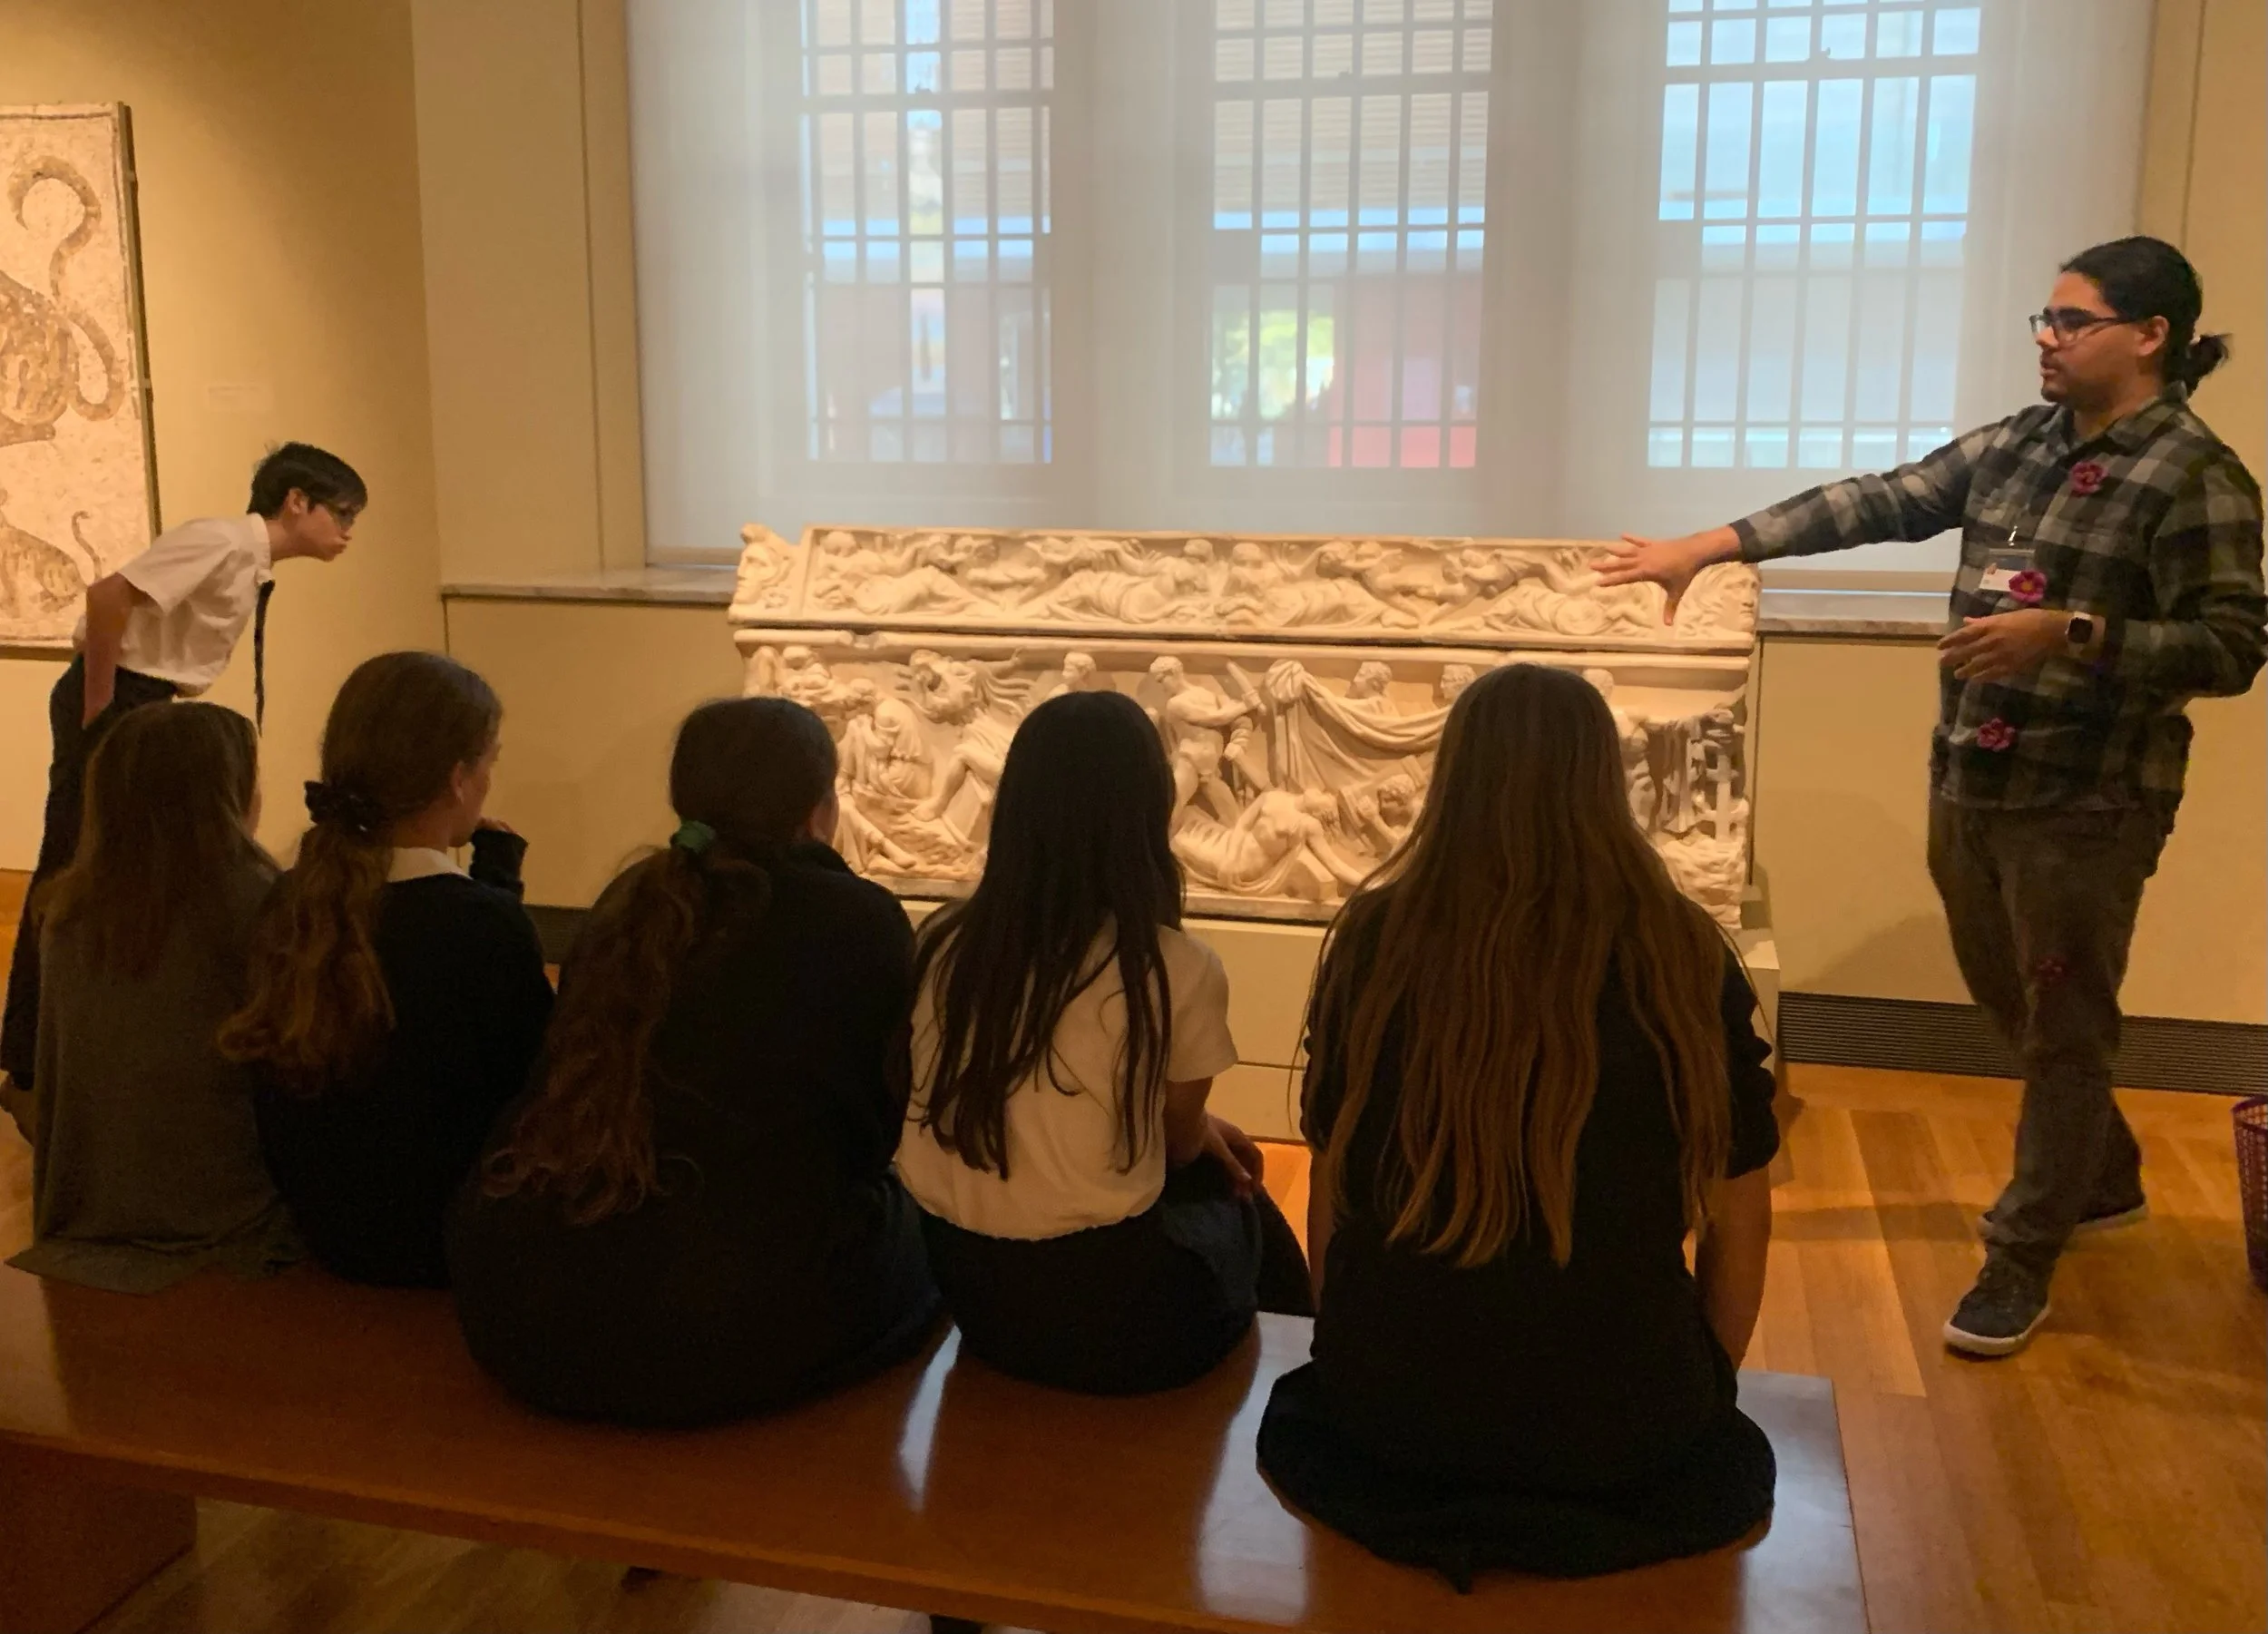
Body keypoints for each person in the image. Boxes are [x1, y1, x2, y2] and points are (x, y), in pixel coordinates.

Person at [1602, 235, 2265, 1357]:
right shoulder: (2019, 443)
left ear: (2150, 337)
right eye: (2042, 322)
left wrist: (2073, 634)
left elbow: (2235, 645)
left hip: (2088, 799)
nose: (2046, 341)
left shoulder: (2196, 476)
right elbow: (1881, 500)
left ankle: (2021, 1255)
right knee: (2003, 991)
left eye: (2071, 322)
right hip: (1971, 774)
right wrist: (1713, 546)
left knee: (2063, 1023)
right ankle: (2098, 1170)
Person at [1255, 663, 1779, 1585]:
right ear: (1602, 781)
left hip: (1390, 1419)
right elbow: (1741, 1212)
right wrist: (1698, 1379)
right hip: (1623, 1429)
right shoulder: (1680, 952)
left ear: (1453, 776)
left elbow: (1330, 1182)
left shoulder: (1376, 941)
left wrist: (1352, 1347)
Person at [449, 698, 941, 1427]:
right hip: (709, 1316)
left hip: (519, 1293)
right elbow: (871, 1137)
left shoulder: (628, 901)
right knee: (929, 1235)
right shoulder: (855, 916)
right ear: (818, 808)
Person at [896, 690, 1312, 1396]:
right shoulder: (1172, 965)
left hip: (967, 1289)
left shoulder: (943, 940)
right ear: (1147, 817)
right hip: (1121, 1319)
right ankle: (1300, 1361)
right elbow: (1180, 1146)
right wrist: (1202, 1131)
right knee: (1243, 1193)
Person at [0, 443, 365, 1102]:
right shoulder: (223, 542)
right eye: (341, 513)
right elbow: (109, 596)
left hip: (145, 701)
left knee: (113, 863)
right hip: (120, 699)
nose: (348, 532)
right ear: (296, 501)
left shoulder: (243, 559)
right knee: (69, 862)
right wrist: (101, 712)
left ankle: (70, 1043)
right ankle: (28, 1058)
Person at [219, 651, 552, 1287]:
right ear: (459, 778)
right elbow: (530, 1094)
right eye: (489, 762)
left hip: (330, 1232)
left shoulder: (288, 901)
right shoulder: (478, 927)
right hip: (451, 1244)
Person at [8, 703, 301, 1292]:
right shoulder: (255, 902)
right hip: (222, 1225)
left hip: (85, 1217)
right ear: (226, 791)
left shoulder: (68, 912)